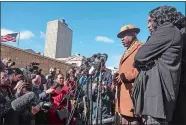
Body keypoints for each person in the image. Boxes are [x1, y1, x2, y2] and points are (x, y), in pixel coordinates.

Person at [132, 6, 185, 124]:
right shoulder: (173, 31)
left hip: (158, 102)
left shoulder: (167, 29)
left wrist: (146, 61)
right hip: (157, 101)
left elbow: (139, 56)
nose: (148, 25)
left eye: (150, 20)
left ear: (160, 17)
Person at [114, 24, 143, 124]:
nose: (122, 39)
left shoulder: (140, 48)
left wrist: (125, 76)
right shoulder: (127, 51)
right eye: (121, 37)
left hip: (133, 97)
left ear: (133, 34)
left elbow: (142, 69)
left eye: (124, 35)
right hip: (124, 98)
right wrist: (118, 74)